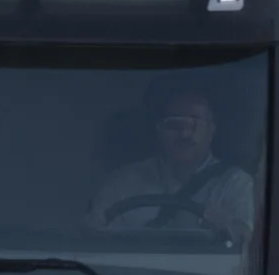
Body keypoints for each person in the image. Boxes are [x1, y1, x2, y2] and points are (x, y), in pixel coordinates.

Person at [90, 90, 255, 246]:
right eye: (174, 125)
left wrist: (227, 230)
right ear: (159, 131)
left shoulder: (236, 184)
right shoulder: (122, 182)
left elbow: (246, 245)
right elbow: (92, 235)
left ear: (211, 130)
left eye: (194, 124)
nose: (184, 134)